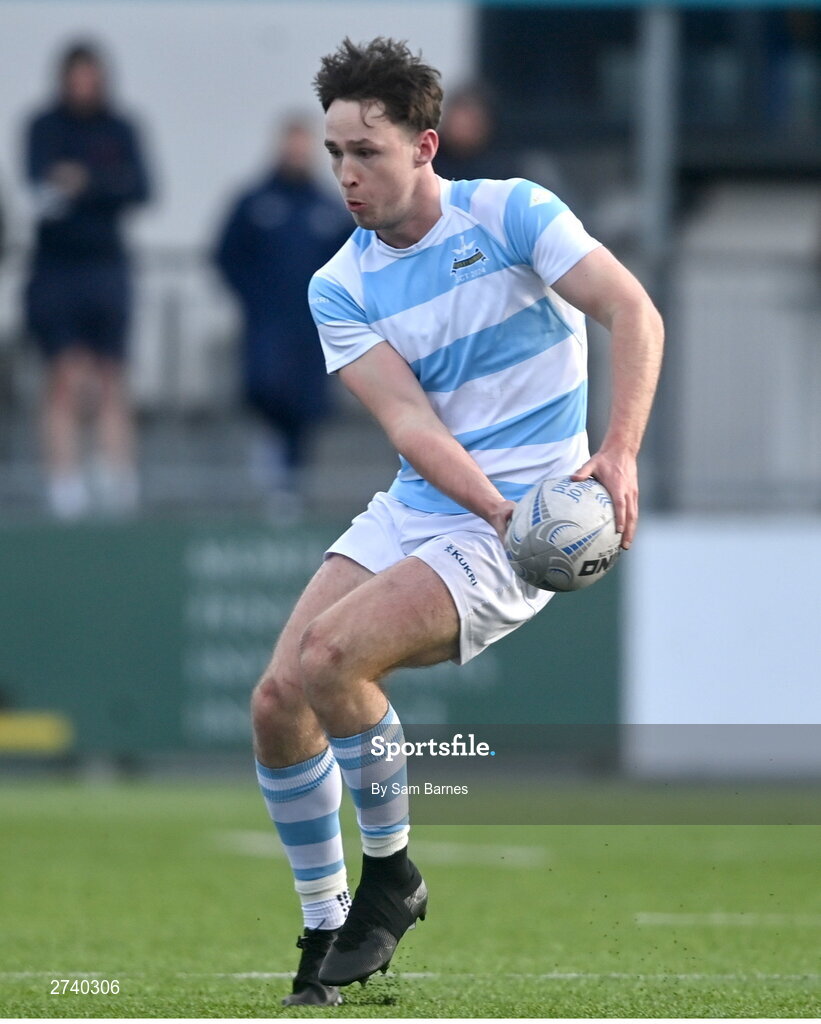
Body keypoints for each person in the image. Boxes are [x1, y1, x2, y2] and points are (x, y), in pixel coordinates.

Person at [251, 37, 663, 1006]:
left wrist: (617, 452)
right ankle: (323, 927)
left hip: (530, 527)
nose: (346, 173)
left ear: (425, 145)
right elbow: (408, 423)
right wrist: (493, 505)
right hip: (443, 504)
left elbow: (632, 310)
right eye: (334, 152)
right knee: (277, 702)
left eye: (367, 152)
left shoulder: (512, 212)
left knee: (329, 658)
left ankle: (391, 874)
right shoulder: (338, 283)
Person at [23, 41, 150, 519]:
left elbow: (139, 187)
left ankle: (118, 483)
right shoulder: (43, 127)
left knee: (111, 376)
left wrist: (88, 183)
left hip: (107, 268)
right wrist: (95, 186)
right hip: (56, 271)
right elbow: (39, 185)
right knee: (65, 376)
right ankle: (65, 486)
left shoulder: (120, 128)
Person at [213, 118, 348, 514]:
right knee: (266, 389)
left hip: (312, 330)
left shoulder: (327, 207)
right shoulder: (254, 203)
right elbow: (226, 255)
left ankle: (292, 487)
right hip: (267, 325)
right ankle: (272, 471)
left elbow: (349, 263)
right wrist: (252, 298)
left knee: (305, 406)